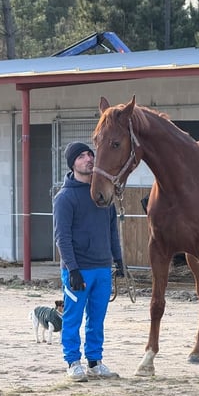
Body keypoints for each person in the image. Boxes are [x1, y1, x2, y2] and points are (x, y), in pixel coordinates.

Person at [53, 141, 124, 382]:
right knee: (72, 318)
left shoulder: (103, 193)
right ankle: (73, 362)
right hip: (79, 270)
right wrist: (72, 269)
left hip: (102, 268)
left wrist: (118, 260)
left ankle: (95, 361)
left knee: (97, 318)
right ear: (72, 163)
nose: (88, 159)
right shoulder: (65, 198)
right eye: (82, 156)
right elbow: (62, 237)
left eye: (90, 154)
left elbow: (112, 229)